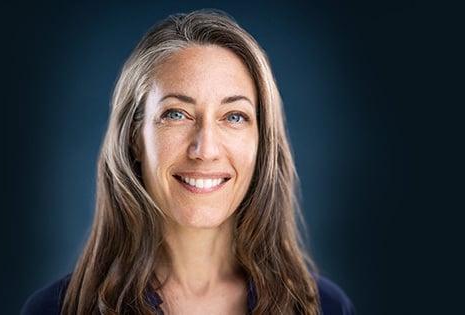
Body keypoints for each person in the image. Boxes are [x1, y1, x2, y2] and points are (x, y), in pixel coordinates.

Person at [22, 9, 355, 315]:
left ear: (262, 143)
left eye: (234, 116)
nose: (205, 149)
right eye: (176, 114)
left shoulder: (325, 307)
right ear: (134, 137)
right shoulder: (57, 309)